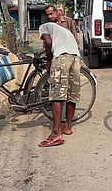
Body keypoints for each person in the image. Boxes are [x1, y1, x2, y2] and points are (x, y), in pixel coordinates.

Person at [37, 17, 81, 147]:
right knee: (71, 93)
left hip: (62, 57)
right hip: (75, 57)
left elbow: (48, 42)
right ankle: (67, 127)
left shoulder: (43, 27)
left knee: (57, 93)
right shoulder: (61, 30)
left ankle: (56, 133)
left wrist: (49, 59)